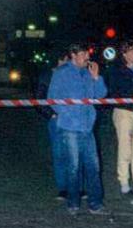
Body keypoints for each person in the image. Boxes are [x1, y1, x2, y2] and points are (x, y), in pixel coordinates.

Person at [47, 43, 108, 215]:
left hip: (88, 127)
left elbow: (101, 94)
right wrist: (67, 113)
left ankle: (95, 203)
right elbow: (52, 98)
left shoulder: (88, 72)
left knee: (93, 166)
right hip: (70, 127)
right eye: (83, 55)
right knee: (73, 166)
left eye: (87, 54)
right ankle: (73, 202)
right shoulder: (61, 73)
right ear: (73, 56)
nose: (87, 58)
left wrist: (97, 78)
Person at [107, 40, 133, 195]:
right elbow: (115, 91)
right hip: (122, 111)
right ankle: (124, 181)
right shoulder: (116, 70)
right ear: (124, 54)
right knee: (125, 148)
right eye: (132, 51)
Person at [36, 51, 70, 199]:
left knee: (74, 153)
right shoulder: (47, 76)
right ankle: (63, 188)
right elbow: (39, 98)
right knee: (59, 154)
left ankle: (77, 187)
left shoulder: (72, 74)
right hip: (56, 120)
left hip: (71, 119)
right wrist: (51, 114)